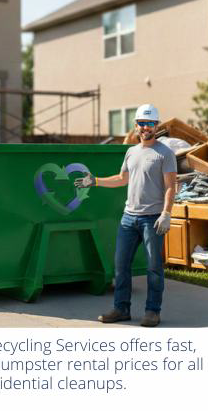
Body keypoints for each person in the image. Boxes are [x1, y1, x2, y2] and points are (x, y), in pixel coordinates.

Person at [74, 104, 177, 326]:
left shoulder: (165, 153)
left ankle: (152, 311)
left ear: (156, 126)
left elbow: (171, 186)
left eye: (150, 123)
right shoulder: (131, 151)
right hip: (128, 218)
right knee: (121, 266)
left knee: (154, 268)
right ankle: (121, 309)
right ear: (136, 126)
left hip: (153, 219)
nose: (145, 127)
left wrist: (166, 213)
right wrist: (95, 181)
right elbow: (122, 178)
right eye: (142, 123)